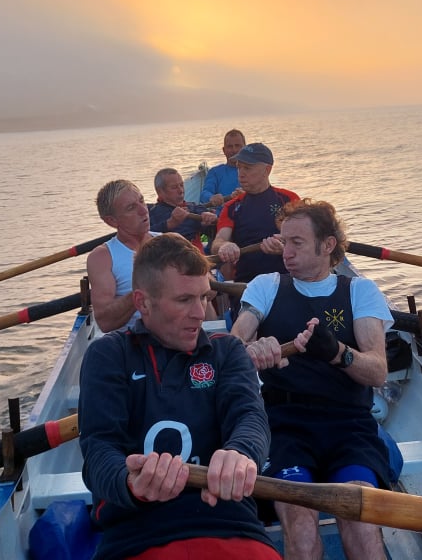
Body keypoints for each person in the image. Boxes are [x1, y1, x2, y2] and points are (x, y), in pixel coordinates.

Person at [78, 233, 281, 560]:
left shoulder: (226, 351)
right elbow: (99, 450)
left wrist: (240, 452)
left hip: (228, 522)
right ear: (143, 302)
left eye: (204, 297)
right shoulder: (108, 355)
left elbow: (249, 418)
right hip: (137, 532)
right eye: (184, 300)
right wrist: (129, 481)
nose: (201, 313)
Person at [230, 199, 398, 560]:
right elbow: (231, 348)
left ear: (327, 245)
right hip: (284, 425)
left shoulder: (360, 291)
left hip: (349, 425)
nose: (285, 252)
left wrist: (339, 353)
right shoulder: (266, 285)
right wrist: (252, 351)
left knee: (360, 524)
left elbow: (378, 371)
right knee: (301, 524)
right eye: (284, 241)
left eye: (297, 243)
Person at [211, 142, 299, 285]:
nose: (241, 174)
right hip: (248, 284)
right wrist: (225, 246)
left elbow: (305, 238)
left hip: (288, 279)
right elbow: (218, 240)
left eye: (247, 168)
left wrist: (286, 244)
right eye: (239, 167)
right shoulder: (232, 206)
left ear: (267, 170)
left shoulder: (289, 199)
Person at [84, 179, 155, 333]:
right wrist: (144, 288)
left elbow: (209, 291)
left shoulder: (170, 241)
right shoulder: (102, 258)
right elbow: (105, 322)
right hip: (134, 342)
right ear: (112, 221)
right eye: (131, 208)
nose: (144, 210)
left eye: (142, 201)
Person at [149, 167, 218, 249]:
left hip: (197, 257)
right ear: (160, 191)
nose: (181, 190)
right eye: (174, 187)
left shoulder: (194, 208)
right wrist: (169, 224)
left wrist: (211, 219)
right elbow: (143, 236)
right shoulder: (151, 214)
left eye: (181, 185)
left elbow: (215, 230)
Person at [200, 129, 246, 206]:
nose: (234, 150)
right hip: (221, 215)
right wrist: (211, 197)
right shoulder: (215, 172)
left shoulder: (254, 170)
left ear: (245, 148)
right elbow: (204, 194)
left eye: (237, 146)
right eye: (230, 146)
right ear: (224, 150)